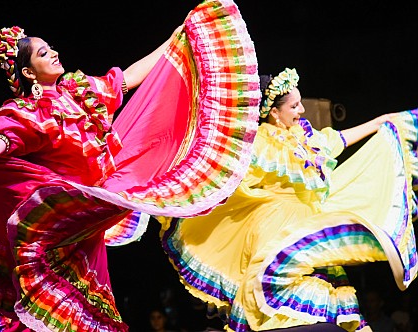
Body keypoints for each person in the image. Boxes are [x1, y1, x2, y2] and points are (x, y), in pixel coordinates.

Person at [0, 1, 262, 331]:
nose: (55, 53)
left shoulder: (82, 92)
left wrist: (176, 39)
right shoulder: (28, 112)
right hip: (56, 217)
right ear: (29, 72)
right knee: (48, 308)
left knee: (82, 304)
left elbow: (132, 76)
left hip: (87, 215)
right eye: (44, 53)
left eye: (52, 48)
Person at [159, 67, 418, 331]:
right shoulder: (258, 142)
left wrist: (380, 122)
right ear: (274, 112)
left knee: (320, 304)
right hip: (274, 226)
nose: (301, 111)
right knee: (278, 304)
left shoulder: (305, 139)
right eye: (294, 106)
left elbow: (338, 139)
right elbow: (223, 172)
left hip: (307, 223)